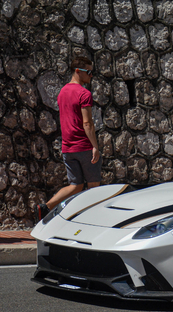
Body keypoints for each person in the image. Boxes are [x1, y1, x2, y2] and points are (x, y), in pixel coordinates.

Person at [35, 56, 101, 221]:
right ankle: (91, 221)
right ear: (78, 71)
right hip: (84, 146)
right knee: (94, 186)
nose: (91, 76)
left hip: (68, 148)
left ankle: (46, 207)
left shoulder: (62, 92)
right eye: (89, 72)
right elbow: (87, 123)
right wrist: (95, 146)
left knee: (76, 185)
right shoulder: (84, 94)